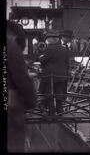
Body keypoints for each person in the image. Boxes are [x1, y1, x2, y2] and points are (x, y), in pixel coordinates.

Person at [7, 21, 37, 152]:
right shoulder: (11, 47)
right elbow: (21, 79)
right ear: (14, 36)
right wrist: (31, 101)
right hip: (11, 110)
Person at [38, 30, 69, 115]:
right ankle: (60, 114)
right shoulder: (64, 49)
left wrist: (40, 57)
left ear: (52, 39)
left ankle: (51, 114)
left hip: (50, 77)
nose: (47, 40)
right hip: (61, 77)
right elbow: (67, 63)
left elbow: (43, 60)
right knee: (59, 97)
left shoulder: (49, 49)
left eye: (48, 39)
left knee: (50, 95)